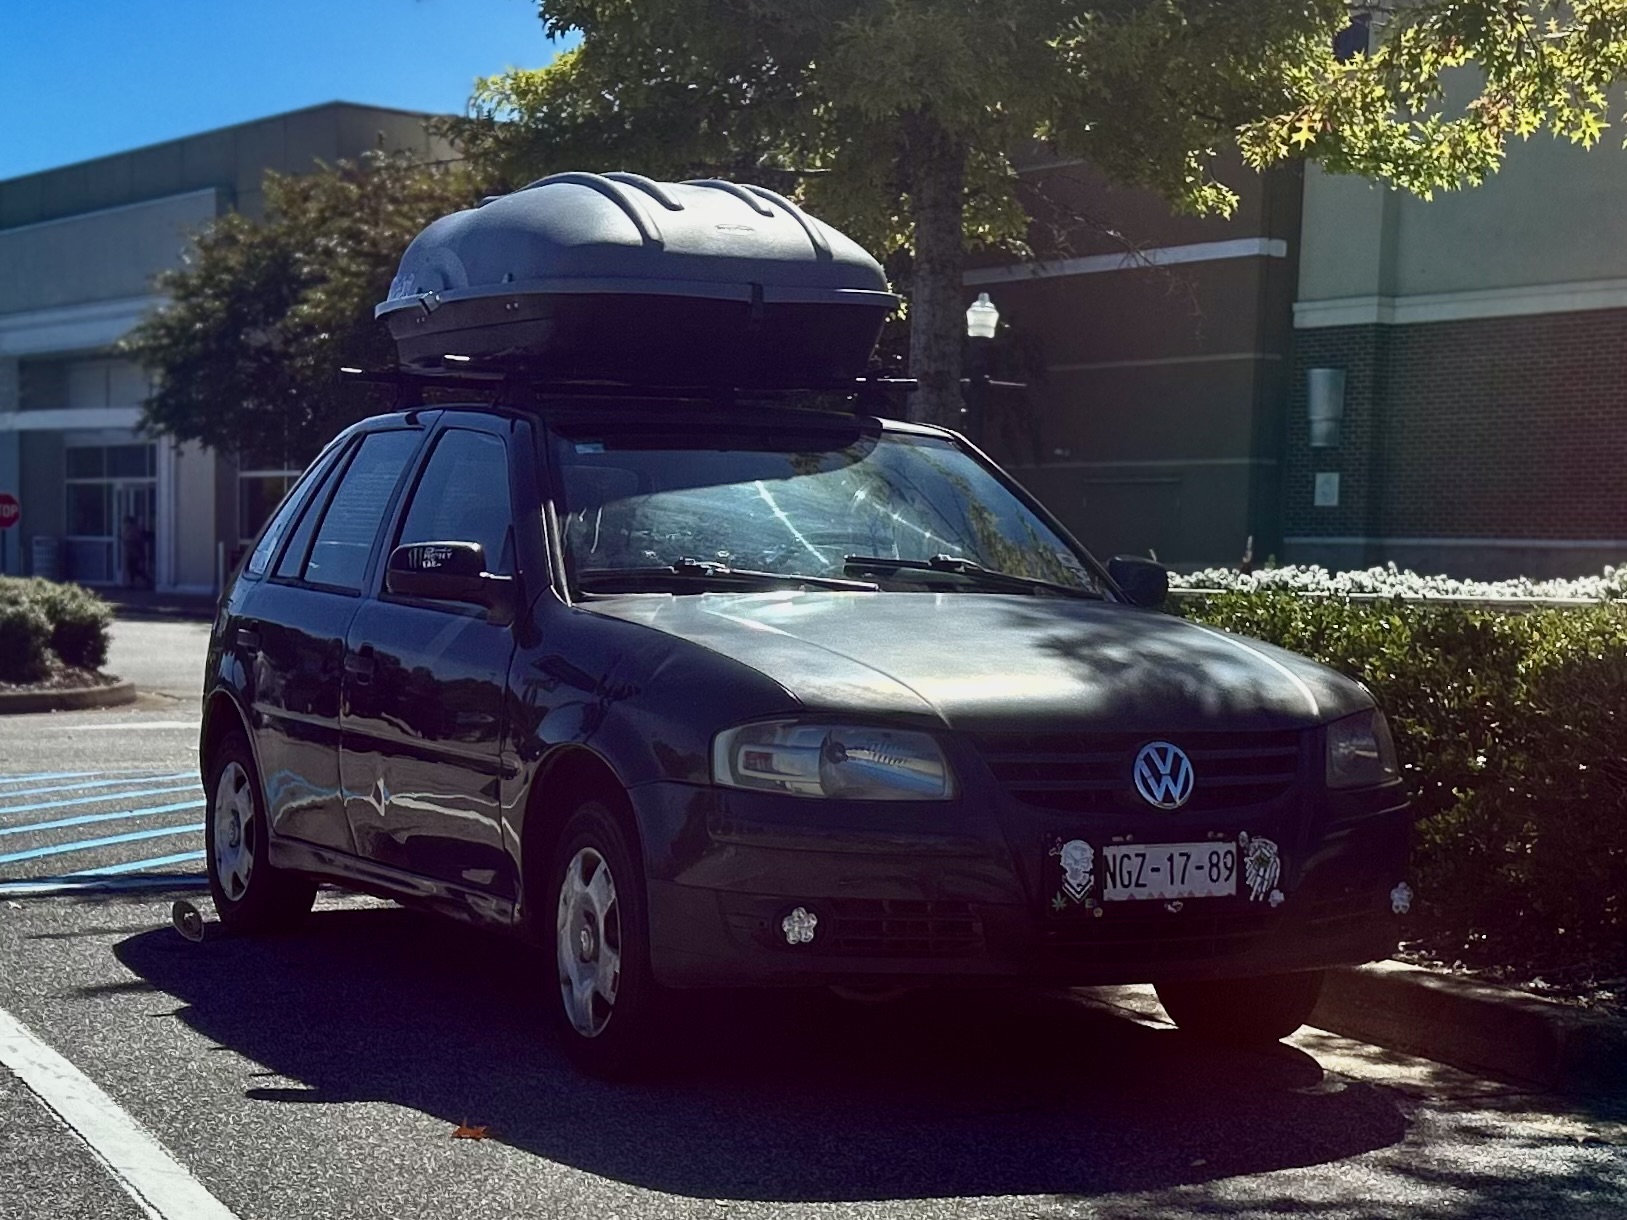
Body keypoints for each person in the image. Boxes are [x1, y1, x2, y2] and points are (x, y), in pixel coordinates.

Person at [121, 515, 147, 589]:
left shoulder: (134, 530)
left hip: (135, 553)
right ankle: (132, 583)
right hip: (129, 552)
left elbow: (138, 542)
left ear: (130, 522)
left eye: (126, 522)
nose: (125, 524)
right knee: (130, 568)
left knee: (134, 569)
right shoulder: (127, 530)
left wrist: (141, 554)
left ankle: (146, 579)